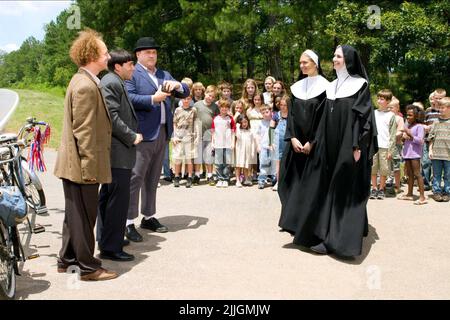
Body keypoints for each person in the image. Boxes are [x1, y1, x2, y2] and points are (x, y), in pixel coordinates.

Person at [290, 45, 378, 257]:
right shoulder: (331, 86)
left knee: (344, 188)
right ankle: (325, 232)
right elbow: (321, 120)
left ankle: (337, 242)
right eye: (334, 55)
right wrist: (315, 142)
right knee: (328, 186)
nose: (334, 59)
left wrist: (358, 145)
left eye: (338, 56)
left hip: (348, 144)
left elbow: (363, 117)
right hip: (328, 144)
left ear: (348, 60)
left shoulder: (360, 85)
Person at [53, 29, 118, 281]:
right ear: (92, 55)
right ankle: (87, 267)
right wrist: (90, 169)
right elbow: (84, 132)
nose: (108, 56)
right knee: (83, 218)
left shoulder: (85, 81)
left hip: (76, 165)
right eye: (105, 52)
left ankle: (67, 260)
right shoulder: (85, 86)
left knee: (74, 216)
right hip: (82, 167)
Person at [125, 37, 190, 241]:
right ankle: (128, 222)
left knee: (154, 177)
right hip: (142, 133)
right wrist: (152, 99)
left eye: (154, 52)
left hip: (162, 131)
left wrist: (178, 85)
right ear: (138, 55)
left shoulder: (163, 74)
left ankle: (148, 216)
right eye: (147, 52)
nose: (152, 55)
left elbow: (185, 92)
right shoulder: (132, 73)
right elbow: (128, 98)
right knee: (136, 178)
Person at [96, 50, 142, 262]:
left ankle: (108, 239)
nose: (133, 68)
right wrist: (131, 136)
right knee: (117, 200)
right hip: (117, 152)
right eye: (130, 64)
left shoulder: (115, 81)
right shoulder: (111, 82)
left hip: (118, 152)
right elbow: (111, 117)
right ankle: (111, 247)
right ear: (118, 66)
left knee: (109, 197)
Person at [278, 49, 329, 235]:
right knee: (288, 181)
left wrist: (312, 142)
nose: (301, 66)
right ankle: (290, 220)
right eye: (300, 63)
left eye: (305, 62)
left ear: (315, 64)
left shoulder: (326, 87)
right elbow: (290, 116)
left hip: (313, 146)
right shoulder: (296, 87)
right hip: (295, 144)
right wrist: (292, 138)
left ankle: (306, 224)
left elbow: (324, 119)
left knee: (309, 186)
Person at [369, 89, 397, 200]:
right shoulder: (373, 113)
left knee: (384, 170)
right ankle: (374, 188)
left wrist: (391, 150)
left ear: (388, 101)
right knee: (373, 168)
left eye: (382, 99)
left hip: (385, 146)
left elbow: (393, 134)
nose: (379, 101)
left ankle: (381, 188)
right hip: (374, 145)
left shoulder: (391, 115)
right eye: (378, 98)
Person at [397, 105, 427, 204]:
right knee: (410, 175)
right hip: (407, 153)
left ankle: (422, 197)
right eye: (407, 115)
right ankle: (409, 194)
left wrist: (409, 134)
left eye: (410, 115)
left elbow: (420, 140)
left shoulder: (419, 126)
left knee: (417, 174)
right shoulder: (409, 126)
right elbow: (406, 140)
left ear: (417, 116)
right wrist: (404, 137)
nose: (408, 117)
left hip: (415, 154)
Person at [193, 85, 220, 185]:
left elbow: (217, 120)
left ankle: (209, 176)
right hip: (198, 134)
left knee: (209, 156)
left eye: (213, 97)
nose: (210, 98)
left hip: (210, 134)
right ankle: (196, 175)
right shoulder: (197, 105)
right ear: (205, 93)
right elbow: (193, 118)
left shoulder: (215, 107)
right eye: (209, 95)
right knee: (198, 156)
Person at [172, 95, 199, 188]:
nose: (186, 101)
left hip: (189, 136)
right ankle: (176, 177)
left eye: (188, 99)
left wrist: (196, 135)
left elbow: (196, 122)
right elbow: (175, 123)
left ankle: (190, 177)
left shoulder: (193, 110)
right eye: (184, 99)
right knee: (177, 158)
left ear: (190, 99)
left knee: (189, 158)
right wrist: (174, 136)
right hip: (179, 136)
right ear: (181, 99)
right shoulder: (177, 110)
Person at [429, 97, 450, 202]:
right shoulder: (436, 121)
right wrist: (430, 150)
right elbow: (431, 137)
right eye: (439, 107)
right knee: (436, 174)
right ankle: (436, 191)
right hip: (437, 152)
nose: (440, 109)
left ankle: (447, 192)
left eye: (443, 107)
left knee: (448, 174)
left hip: (448, 153)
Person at [211, 99, 236, 187]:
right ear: (219, 108)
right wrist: (212, 143)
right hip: (218, 144)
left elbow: (233, 132)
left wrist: (233, 143)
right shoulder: (215, 119)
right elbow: (213, 132)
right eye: (222, 107)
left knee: (227, 162)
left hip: (228, 144)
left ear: (228, 109)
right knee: (218, 163)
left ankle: (226, 179)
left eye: (226, 107)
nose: (224, 109)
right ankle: (219, 179)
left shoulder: (230, 119)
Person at [271, 95, 289, 191]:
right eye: (281, 105)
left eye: (285, 105)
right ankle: (278, 182)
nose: (282, 107)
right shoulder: (276, 115)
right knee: (278, 162)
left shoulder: (292, 115)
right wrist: (271, 142)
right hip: (278, 141)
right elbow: (271, 128)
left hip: (289, 141)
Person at [256, 106, 276, 189]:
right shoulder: (261, 123)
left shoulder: (275, 121)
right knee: (264, 165)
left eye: (267, 112)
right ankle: (262, 181)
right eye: (263, 113)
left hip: (274, 147)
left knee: (274, 165)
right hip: (264, 147)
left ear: (271, 112)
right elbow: (257, 135)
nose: (265, 114)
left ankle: (275, 180)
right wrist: (258, 145)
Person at [234, 115, 256, 187]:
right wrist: (237, 127)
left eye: (245, 122)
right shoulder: (239, 131)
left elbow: (252, 142)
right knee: (238, 165)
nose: (244, 124)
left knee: (246, 165)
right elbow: (238, 137)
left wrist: (252, 151)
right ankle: (237, 180)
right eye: (242, 122)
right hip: (240, 150)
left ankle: (246, 179)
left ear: (248, 122)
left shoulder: (250, 131)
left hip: (247, 151)